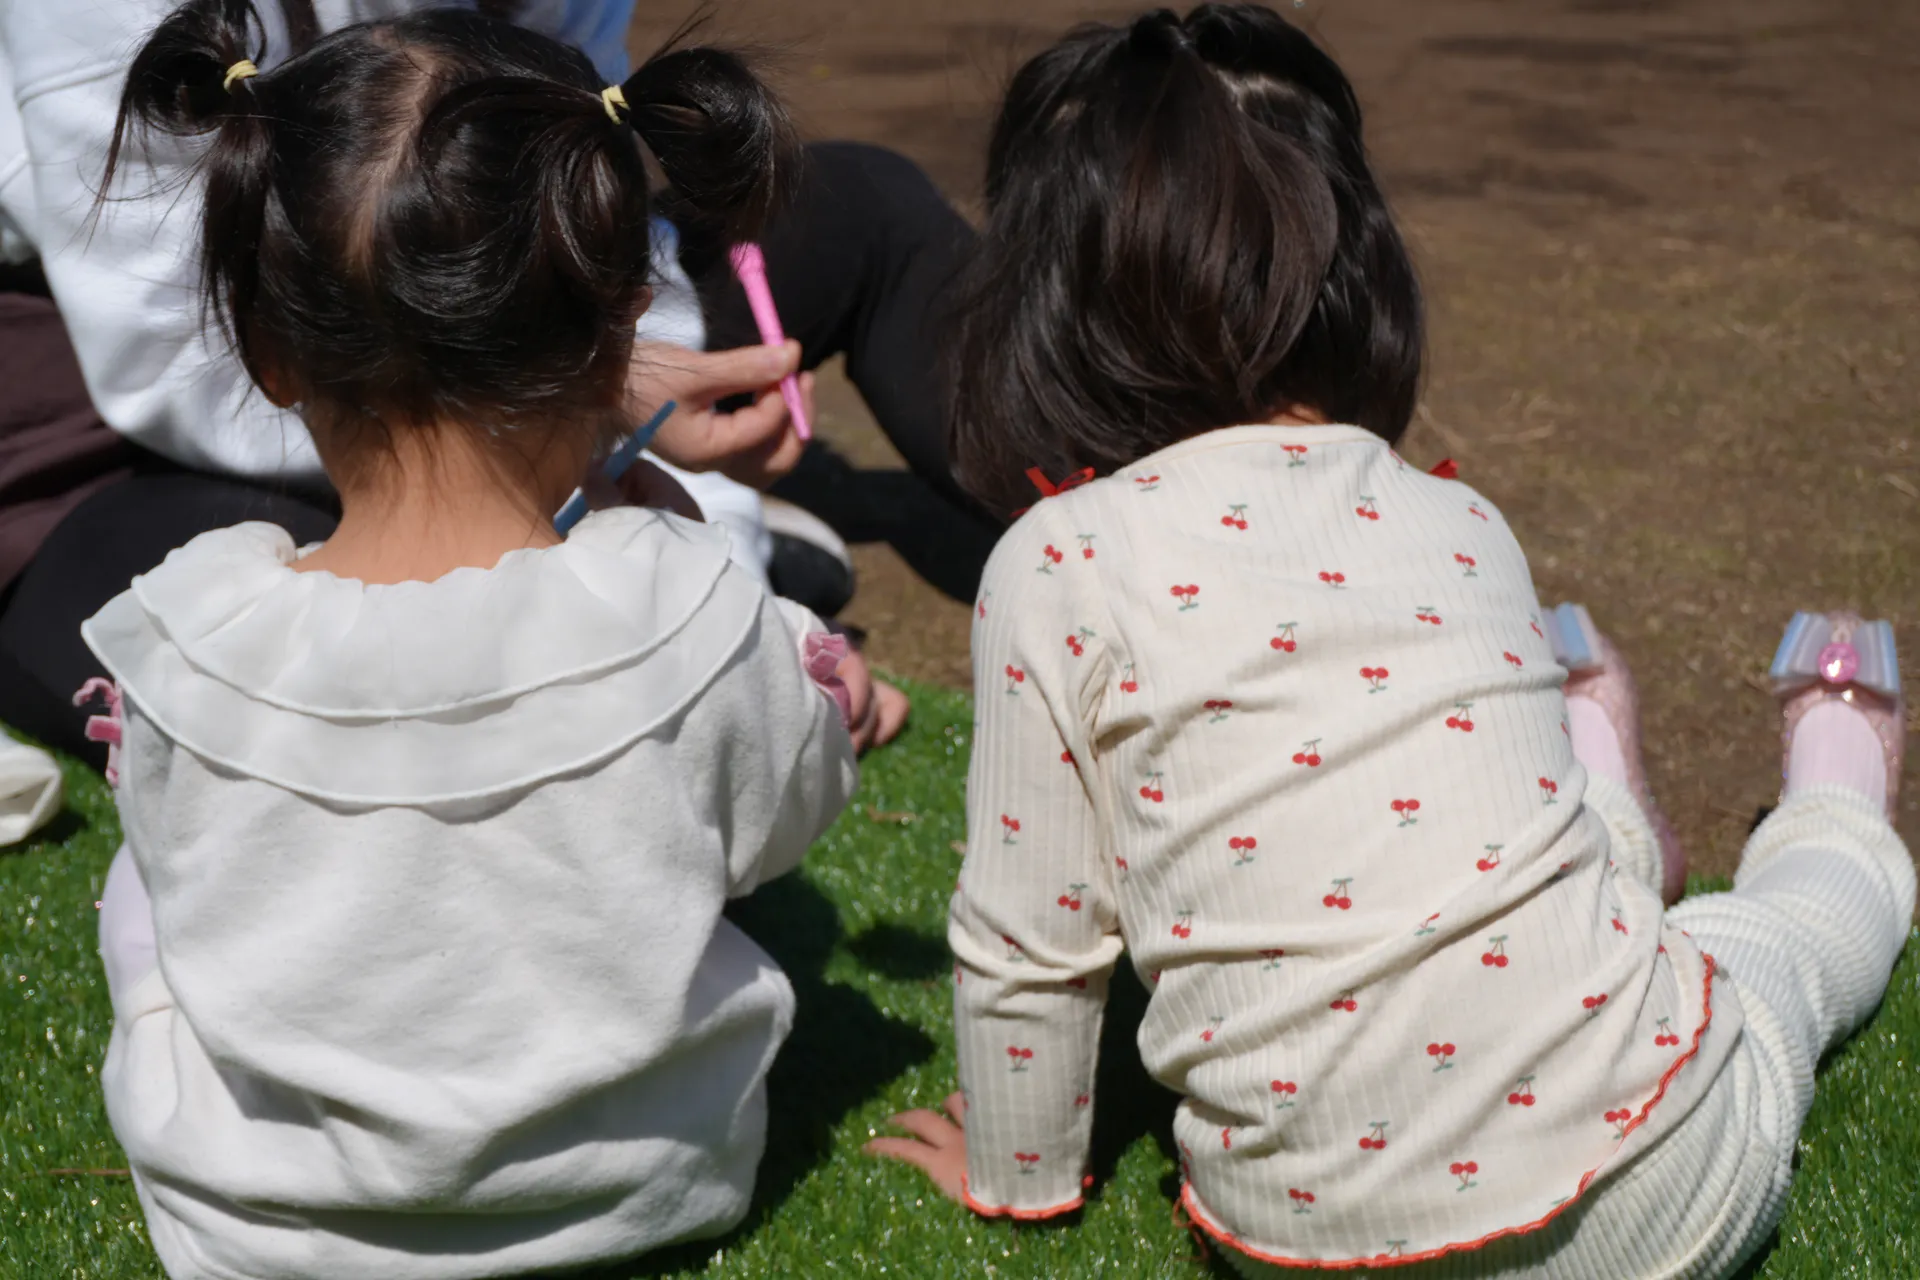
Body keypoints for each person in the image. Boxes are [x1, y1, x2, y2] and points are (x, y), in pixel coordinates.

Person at [866, 8, 1913, 1276]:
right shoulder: (1456, 516)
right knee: (1774, 951)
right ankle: (1829, 805)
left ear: (1038, 303)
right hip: (1673, 1196)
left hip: (1307, 1252)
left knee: (1555, 861)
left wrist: (1016, 1169)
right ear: (1361, 265)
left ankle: (1619, 821)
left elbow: (1032, 941)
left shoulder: (1055, 560)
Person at [82, 5, 858, 1274]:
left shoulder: (200, 637)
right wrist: (807, 681)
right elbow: (784, 821)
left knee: (140, 882)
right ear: (622, 336)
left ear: (271, 349)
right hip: (645, 1189)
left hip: (253, 1229)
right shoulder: (681, 609)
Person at [0, 0, 983, 761]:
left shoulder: (584, 326)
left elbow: (597, 211)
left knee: (863, 205)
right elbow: (179, 357)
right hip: (108, 413)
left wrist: (707, 543)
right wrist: (705, 610)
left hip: (484, 333)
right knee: (294, 671)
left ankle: (1113, 539)